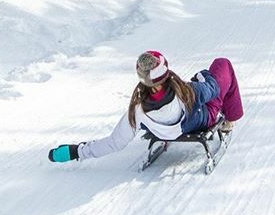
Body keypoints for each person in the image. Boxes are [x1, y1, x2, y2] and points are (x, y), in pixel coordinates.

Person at [48, 51, 244, 163]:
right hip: (201, 119)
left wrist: (76, 151)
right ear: (166, 71)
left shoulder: (138, 109)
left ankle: (72, 153)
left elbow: (114, 143)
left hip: (168, 130)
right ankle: (231, 119)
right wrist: (203, 76)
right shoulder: (186, 92)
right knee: (221, 64)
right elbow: (213, 89)